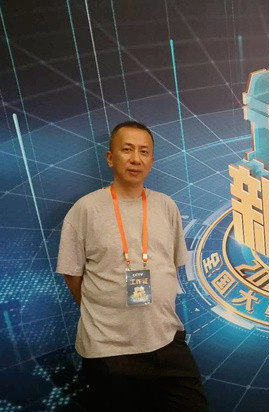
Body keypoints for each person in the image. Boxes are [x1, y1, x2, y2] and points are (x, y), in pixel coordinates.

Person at [56, 121, 208, 411]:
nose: (136, 159)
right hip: (109, 351)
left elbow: (173, 266)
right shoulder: (85, 209)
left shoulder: (166, 206)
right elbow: (72, 275)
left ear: (151, 159)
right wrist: (104, 312)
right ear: (110, 157)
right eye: (127, 150)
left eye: (144, 151)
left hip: (166, 341)